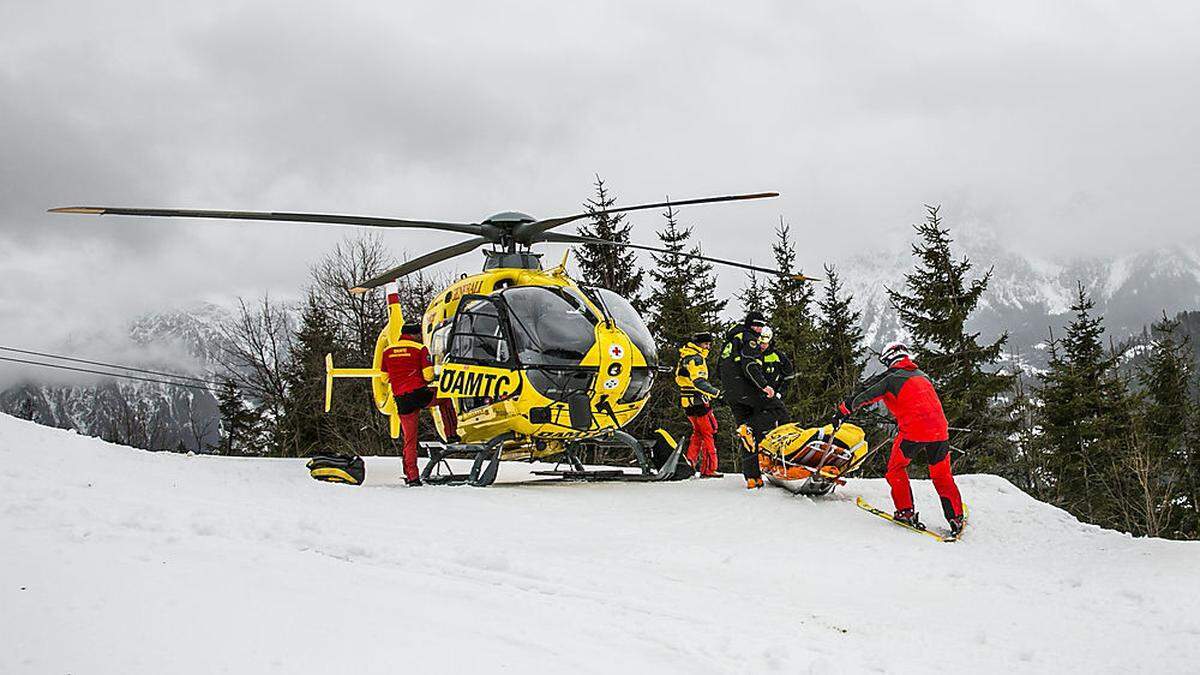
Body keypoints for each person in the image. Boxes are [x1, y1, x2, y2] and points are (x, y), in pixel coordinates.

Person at [833, 341, 964, 536]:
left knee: (895, 469)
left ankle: (905, 511)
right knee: (941, 474)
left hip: (914, 432)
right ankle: (955, 516)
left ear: (888, 359)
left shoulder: (890, 378)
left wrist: (843, 411)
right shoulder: (923, 376)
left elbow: (865, 394)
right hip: (940, 431)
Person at [382, 321, 459, 486]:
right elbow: (428, 375)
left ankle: (412, 477)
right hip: (419, 393)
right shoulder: (419, 349)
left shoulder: (387, 351)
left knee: (410, 440)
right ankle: (451, 434)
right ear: (416, 334)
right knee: (445, 399)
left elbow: (384, 378)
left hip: (402, 399)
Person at [718, 311, 787, 489]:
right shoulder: (749, 339)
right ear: (749, 324)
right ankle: (787, 457)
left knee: (747, 436)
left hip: (732, 394)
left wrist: (728, 390)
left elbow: (719, 368)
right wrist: (764, 386)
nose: (758, 329)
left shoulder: (731, 340)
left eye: (761, 325)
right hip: (746, 390)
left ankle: (752, 477)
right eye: (756, 325)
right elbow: (750, 365)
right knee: (778, 410)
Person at [675, 331, 722, 478]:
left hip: (687, 402)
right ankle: (709, 469)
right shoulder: (697, 359)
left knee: (698, 433)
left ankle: (690, 462)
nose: (708, 347)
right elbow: (699, 382)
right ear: (698, 344)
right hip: (699, 401)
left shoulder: (685, 357)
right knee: (709, 432)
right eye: (706, 344)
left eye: (709, 344)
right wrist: (717, 393)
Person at [759, 327, 795, 399]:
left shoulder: (778, 357)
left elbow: (789, 374)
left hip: (772, 396)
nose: (762, 345)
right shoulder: (751, 355)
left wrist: (780, 392)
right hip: (753, 396)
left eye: (765, 343)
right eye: (760, 342)